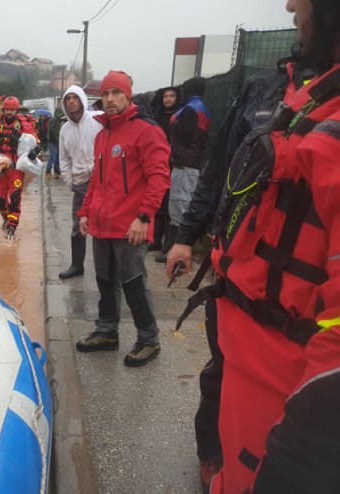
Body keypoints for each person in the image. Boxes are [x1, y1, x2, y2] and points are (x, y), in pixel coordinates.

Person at [173, 1, 340, 491]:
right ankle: (214, 460)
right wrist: (187, 237)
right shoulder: (272, 90)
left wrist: (295, 461)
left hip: (288, 369)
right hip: (235, 295)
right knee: (216, 380)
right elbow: (220, 170)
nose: (289, 4)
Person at [76, 71, 171, 367]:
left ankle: (148, 339)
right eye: (105, 94)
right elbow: (96, 181)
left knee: (133, 283)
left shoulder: (146, 130)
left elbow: (160, 177)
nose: (110, 99)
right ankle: (107, 332)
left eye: (116, 93)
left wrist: (144, 216)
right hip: (102, 224)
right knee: (104, 281)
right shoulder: (103, 134)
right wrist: (85, 212)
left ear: (128, 96)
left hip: (131, 227)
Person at [156, 77, 210, 263]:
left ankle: (173, 251)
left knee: (179, 208)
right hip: (189, 164)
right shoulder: (199, 107)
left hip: (185, 165)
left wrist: (175, 126)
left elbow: (186, 136)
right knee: (179, 206)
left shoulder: (190, 109)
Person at [58, 85, 103, 279]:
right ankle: (77, 265)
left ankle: (107, 270)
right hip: (81, 184)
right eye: (67, 99)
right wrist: (70, 182)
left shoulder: (97, 120)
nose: (71, 102)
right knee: (78, 227)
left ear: (82, 99)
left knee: (104, 226)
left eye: (75, 98)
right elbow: (64, 160)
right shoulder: (64, 129)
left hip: (103, 181)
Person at [0, 96, 38, 240]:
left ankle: (12, 225)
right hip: (2, 169)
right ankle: (6, 218)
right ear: (4, 109)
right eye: (7, 109)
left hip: (17, 169)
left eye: (12, 109)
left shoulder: (23, 125)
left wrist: (34, 153)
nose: (9, 112)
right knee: (0, 199)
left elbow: (36, 142)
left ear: (16, 110)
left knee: (15, 198)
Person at [150, 86, 181, 253]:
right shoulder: (158, 117)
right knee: (159, 206)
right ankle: (155, 240)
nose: (168, 99)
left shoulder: (180, 116)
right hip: (159, 164)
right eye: (166, 96)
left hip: (174, 165)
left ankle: (168, 246)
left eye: (171, 96)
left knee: (171, 208)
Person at [45, 109, 63, 179]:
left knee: (57, 157)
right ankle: (48, 172)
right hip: (53, 141)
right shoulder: (54, 120)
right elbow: (51, 131)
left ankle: (57, 172)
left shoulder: (57, 120)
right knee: (53, 157)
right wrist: (55, 139)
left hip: (56, 141)